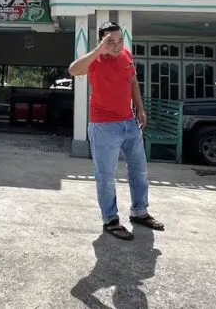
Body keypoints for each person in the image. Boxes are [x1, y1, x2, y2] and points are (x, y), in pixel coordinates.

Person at [69, 21, 165, 240]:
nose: (116, 45)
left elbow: (132, 81)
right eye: (110, 41)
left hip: (129, 123)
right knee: (105, 176)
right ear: (102, 41)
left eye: (120, 40)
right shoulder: (95, 59)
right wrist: (98, 50)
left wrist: (140, 108)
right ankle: (110, 220)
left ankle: (139, 211)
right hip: (103, 126)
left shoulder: (127, 56)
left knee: (139, 170)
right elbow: (73, 70)